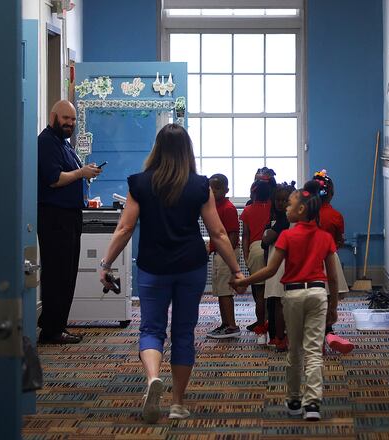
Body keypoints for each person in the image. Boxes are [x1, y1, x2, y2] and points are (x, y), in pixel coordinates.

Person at [98, 124, 242, 423]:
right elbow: (218, 233)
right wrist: (236, 269)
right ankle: (177, 402)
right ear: (187, 150)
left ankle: (153, 379)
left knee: (151, 329)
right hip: (190, 267)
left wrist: (106, 264)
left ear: (157, 149)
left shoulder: (140, 183)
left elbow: (124, 228)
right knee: (184, 333)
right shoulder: (200, 186)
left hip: (153, 266)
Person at [231, 180, 340, 421]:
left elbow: (270, 271)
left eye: (290, 205)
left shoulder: (287, 237)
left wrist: (244, 282)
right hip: (318, 294)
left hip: (292, 295)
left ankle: (293, 399)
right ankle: (312, 404)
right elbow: (332, 277)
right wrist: (333, 307)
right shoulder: (324, 237)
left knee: (295, 350)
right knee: (313, 351)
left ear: (301, 210)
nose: (285, 208)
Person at [37, 100, 102, 344]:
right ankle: (52, 329)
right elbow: (54, 179)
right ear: (53, 116)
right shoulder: (46, 142)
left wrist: (84, 171)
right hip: (54, 217)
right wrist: (81, 173)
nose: (70, 124)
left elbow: (70, 174)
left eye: (73, 120)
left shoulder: (63, 144)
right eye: (66, 118)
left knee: (66, 273)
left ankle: (57, 325)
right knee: (57, 274)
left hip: (69, 215)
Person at [313, 169, 354, 354]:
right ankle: (329, 331)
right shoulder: (336, 216)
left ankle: (316, 335)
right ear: (331, 194)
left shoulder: (305, 213)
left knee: (313, 298)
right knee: (330, 295)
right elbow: (339, 240)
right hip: (330, 257)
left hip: (310, 260)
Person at [240, 167, 277, 344]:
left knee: (259, 293)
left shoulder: (247, 210)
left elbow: (245, 236)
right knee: (275, 292)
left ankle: (261, 329)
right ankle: (275, 329)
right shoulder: (275, 208)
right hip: (273, 249)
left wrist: (246, 255)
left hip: (254, 250)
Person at [206, 174, 242, 339]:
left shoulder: (228, 208)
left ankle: (232, 325)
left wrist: (226, 255)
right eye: (211, 188)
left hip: (226, 255)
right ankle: (225, 323)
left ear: (226, 190)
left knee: (225, 291)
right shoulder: (213, 207)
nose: (214, 191)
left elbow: (233, 236)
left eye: (217, 188)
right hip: (219, 253)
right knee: (221, 291)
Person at [262, 181, 296, 351]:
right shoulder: (294, 218)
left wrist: (267, 233)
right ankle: (283, 336)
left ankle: (280, 337)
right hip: (287, 264)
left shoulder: (283, 220)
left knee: (279, 303)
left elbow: (266, 241)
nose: (281, 204)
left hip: (280, 264)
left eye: (285, 201)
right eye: (278, 200)